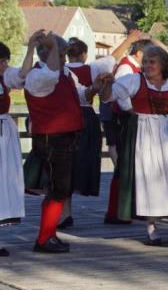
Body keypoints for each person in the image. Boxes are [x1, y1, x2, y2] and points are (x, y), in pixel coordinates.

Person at [24, 32, 112, 253]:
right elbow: (51, 76)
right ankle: (44, 238)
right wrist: (53, 47)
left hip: (65, 137)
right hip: (52, 138)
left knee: (59, 188)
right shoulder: (38, 76)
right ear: (48, 54)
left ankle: (49, 234)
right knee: (58, 189)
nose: (64, 59)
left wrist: (96, 86)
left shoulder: (64, 73)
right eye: (61, 54)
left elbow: (83, 94)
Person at [105, 46, 168, 246]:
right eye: (146, 61)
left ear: (163, 64)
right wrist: (105, 84)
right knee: (150, 177)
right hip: (145, 131)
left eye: (152, 62)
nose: (147, 65)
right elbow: (109, 96)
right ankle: (152, 227)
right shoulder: (134, 80)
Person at [58, 31, 141, 229]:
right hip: (85, 117)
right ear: (84, 54)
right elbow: (113, 57)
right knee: (80, 162)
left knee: (63, 165)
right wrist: (129, 39)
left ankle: (64, 211)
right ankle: (66, 211)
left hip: (62, 117)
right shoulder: (91, 69)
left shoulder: (59, 69)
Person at [103, 35, 162, 224]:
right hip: (124, 120)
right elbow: (120, 95)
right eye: (147, 57)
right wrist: (133, 111)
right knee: (124, 166)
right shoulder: (126, 68)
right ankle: (117, 211)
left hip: (129, 119)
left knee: (127, 165)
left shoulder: (133, 68)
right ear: (139, 54)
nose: (149, 63)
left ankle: (126, 209)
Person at [0, 39, 35, 256]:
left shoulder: (4, 79)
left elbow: (24, 73)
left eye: (6, 61)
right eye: (0, 61)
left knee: (0, 182)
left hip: (2, 137)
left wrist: (31, 47)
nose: (5, 65)